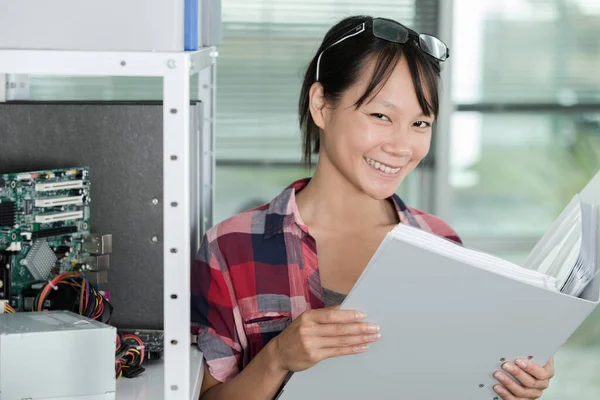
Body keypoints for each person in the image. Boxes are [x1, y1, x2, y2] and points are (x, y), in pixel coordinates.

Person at [191, 15, 555, 400]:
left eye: (420, 123)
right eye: (381, 116)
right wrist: (278, 357)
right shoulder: (230, 248)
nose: (402, 146)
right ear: (321, 105)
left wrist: (512, 386)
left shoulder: (440, 242)